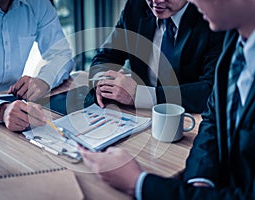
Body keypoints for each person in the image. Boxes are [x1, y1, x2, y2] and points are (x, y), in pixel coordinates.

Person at [79, 0, 255, 198]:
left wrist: (139, 183)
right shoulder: (136, 7)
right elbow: (214, 115)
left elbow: (207, 91)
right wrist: (104, 83)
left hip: (180, 130)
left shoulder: (216, 23)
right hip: (143, 129)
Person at [0, 0, 74, 131]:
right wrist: (0, 110)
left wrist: (44, 80)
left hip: (17, 105)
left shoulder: (38, 4)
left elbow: (61, 54)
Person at [89, 0, 225, 113]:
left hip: (187, 120)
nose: (156, 1)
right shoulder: (136, 6)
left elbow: (211, 90)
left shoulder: (212, 20)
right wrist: (103, 84)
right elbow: (104, 57)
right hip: (135, 115)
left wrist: (141, 95)